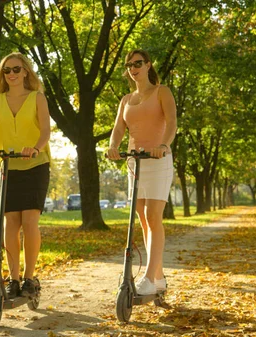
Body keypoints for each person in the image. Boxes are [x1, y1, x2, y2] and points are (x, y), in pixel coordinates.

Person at [0, 52, 51, 299]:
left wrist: (35, 148)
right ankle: (13, 279)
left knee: (29, 221)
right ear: (2, 75)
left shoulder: (37, 98)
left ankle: (29, 277)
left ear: (26, 71)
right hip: (8, 166)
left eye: (16, 69)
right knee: (10, 224)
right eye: (7, 71)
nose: (12, 74)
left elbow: (46, 130)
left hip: (35, 165)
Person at [106, 49, 177, 295]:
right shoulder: (126, 100)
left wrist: (163, 146)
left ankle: (148, 276)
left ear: (148, 65)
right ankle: (158, 277)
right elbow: (118, 129)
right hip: (135, 162)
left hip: (158, 160)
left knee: (153, 215)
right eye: (129, 65)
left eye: (138, 63)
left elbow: (172, 122)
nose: (133, 68)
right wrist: (113, 147)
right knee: (143, 220)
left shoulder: (162, 92)